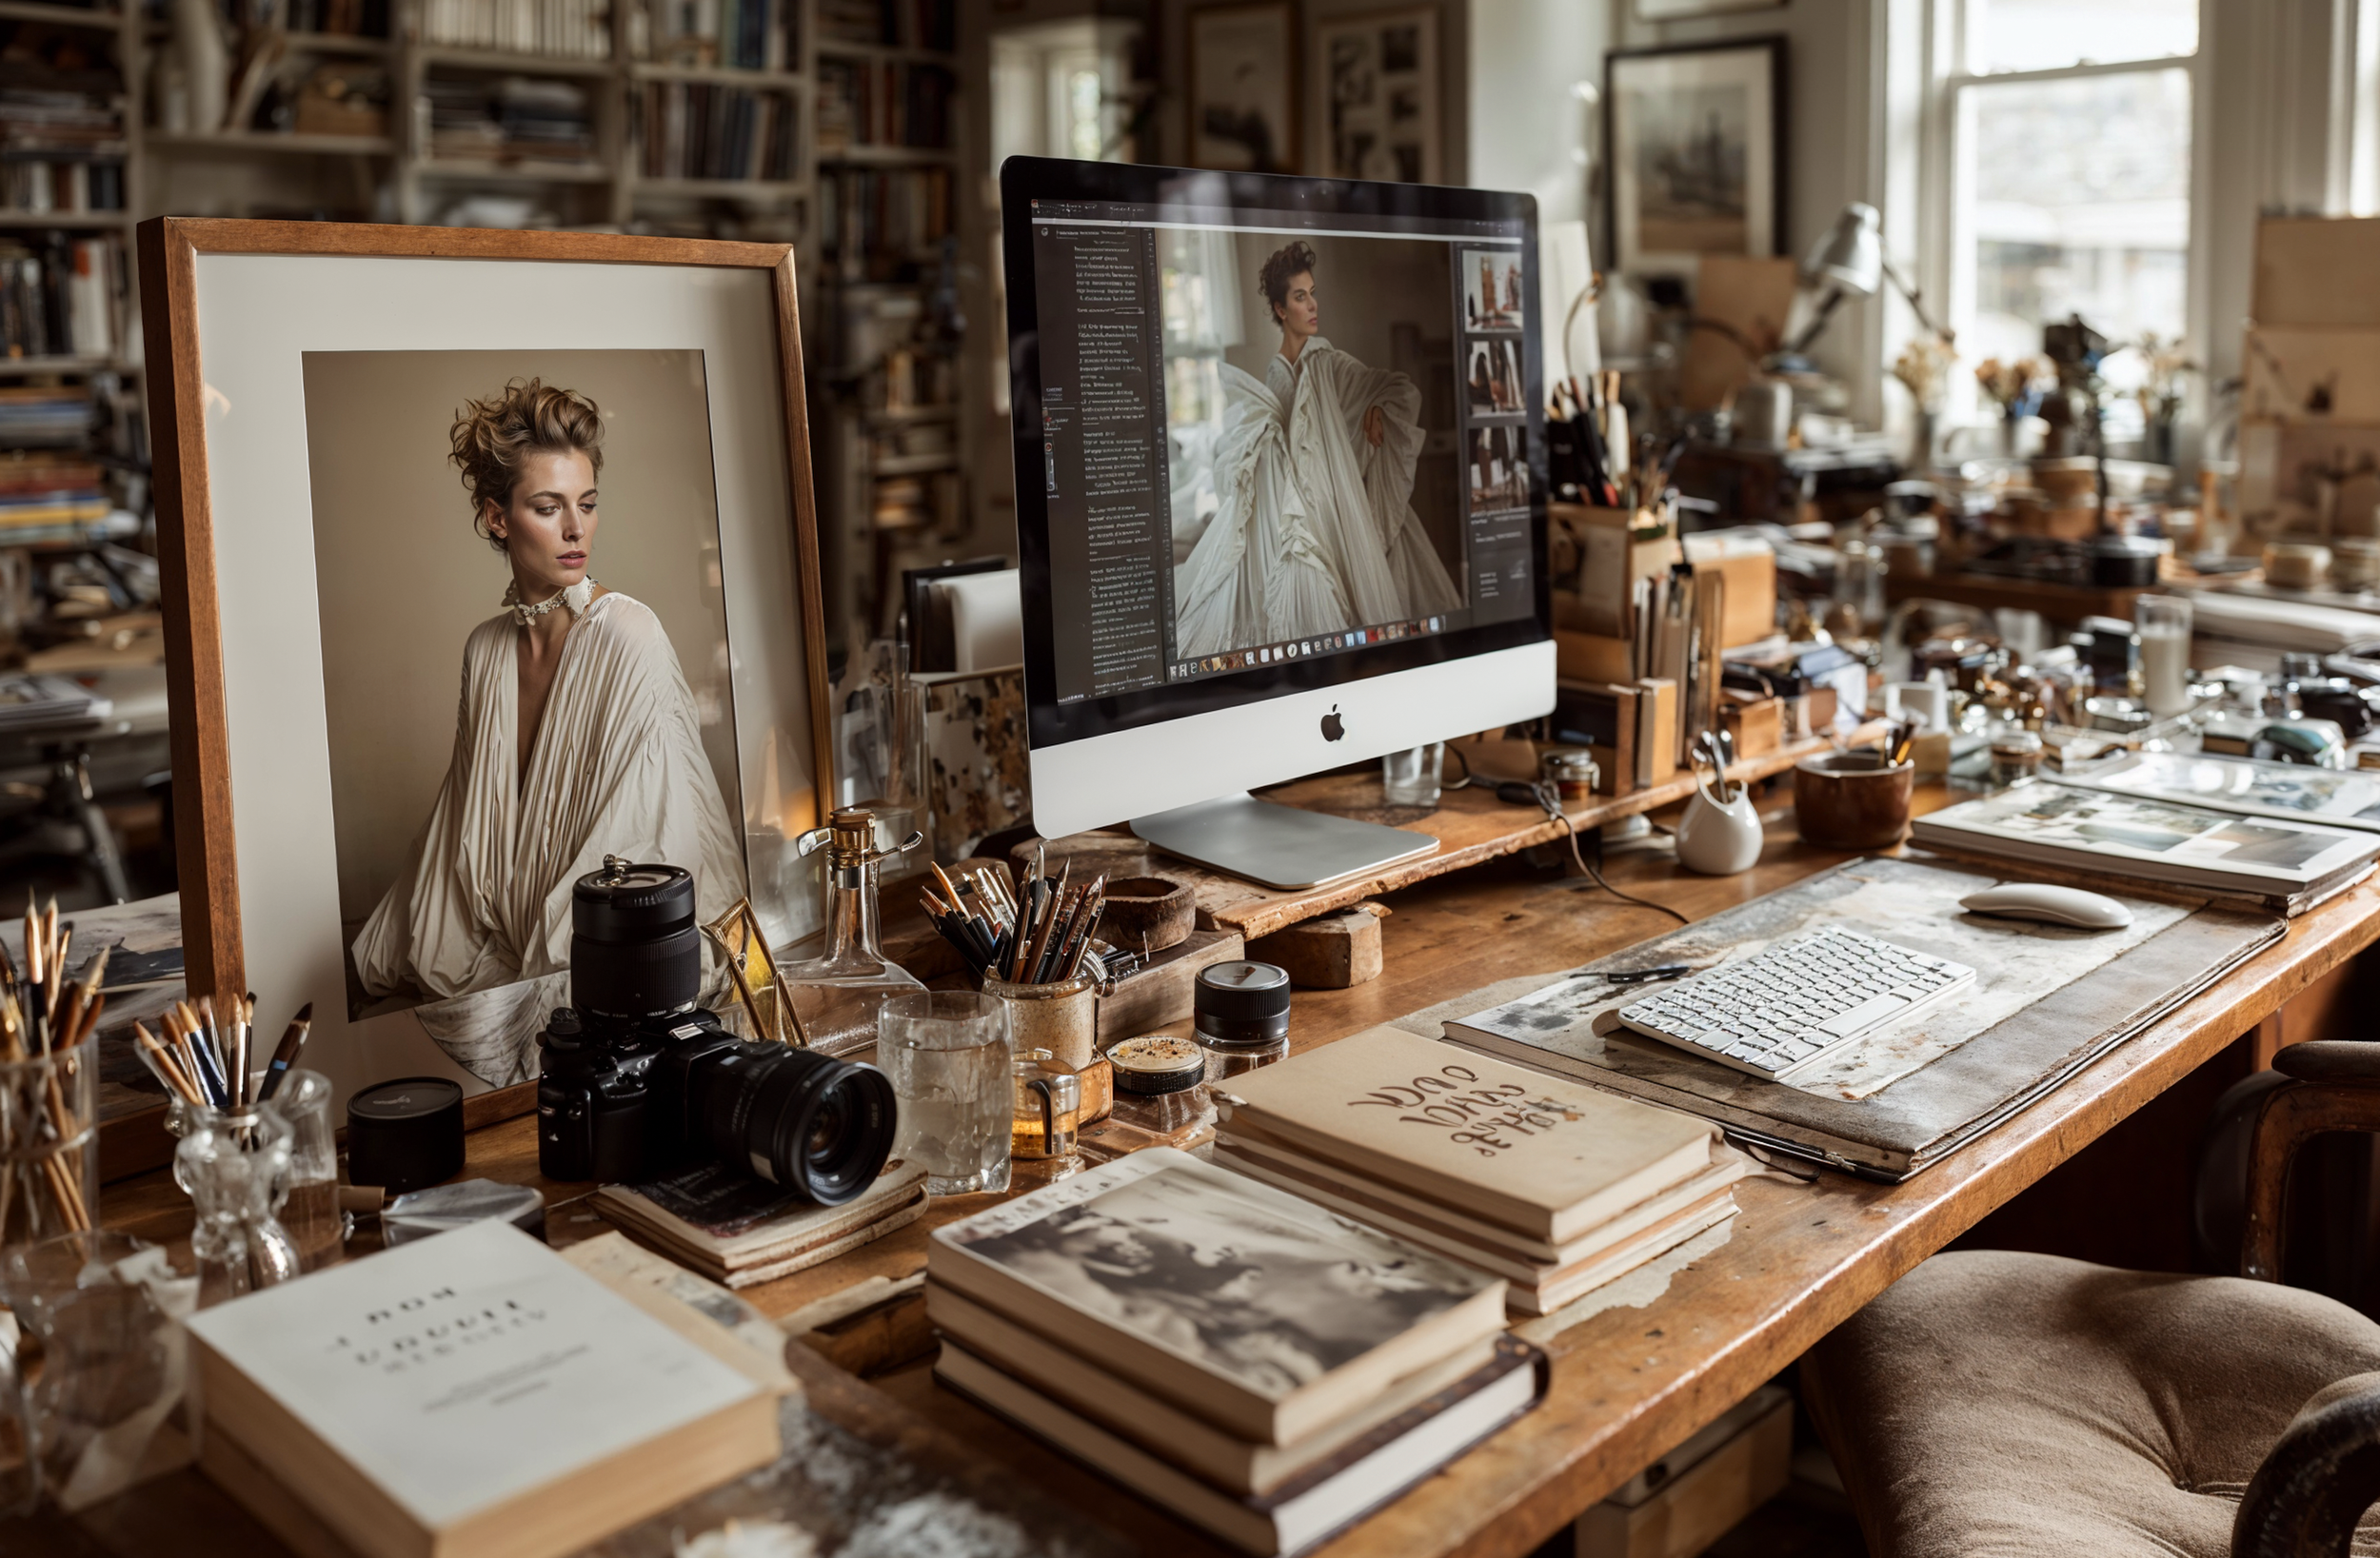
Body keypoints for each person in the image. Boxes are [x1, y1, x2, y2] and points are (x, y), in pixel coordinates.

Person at [350, 378, 743, 1084]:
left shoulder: (629, 635)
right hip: (511, 947)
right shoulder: (485, 650)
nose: (576, 530)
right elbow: (464, 841)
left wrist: (538, 969)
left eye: (587, 504)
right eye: (547, 506)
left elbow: (637, 847)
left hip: (613, 952)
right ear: (496, 518)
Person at [1174, 241, 1461, 659]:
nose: (1312, 305)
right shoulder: (1274, 377)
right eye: (1300, 296)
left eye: (1313, 293)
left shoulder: (1330, 363)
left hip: (1326, 516)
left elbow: (1401, 387)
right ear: (1279, 309)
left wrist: (1379, 407)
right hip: (1283, 524)